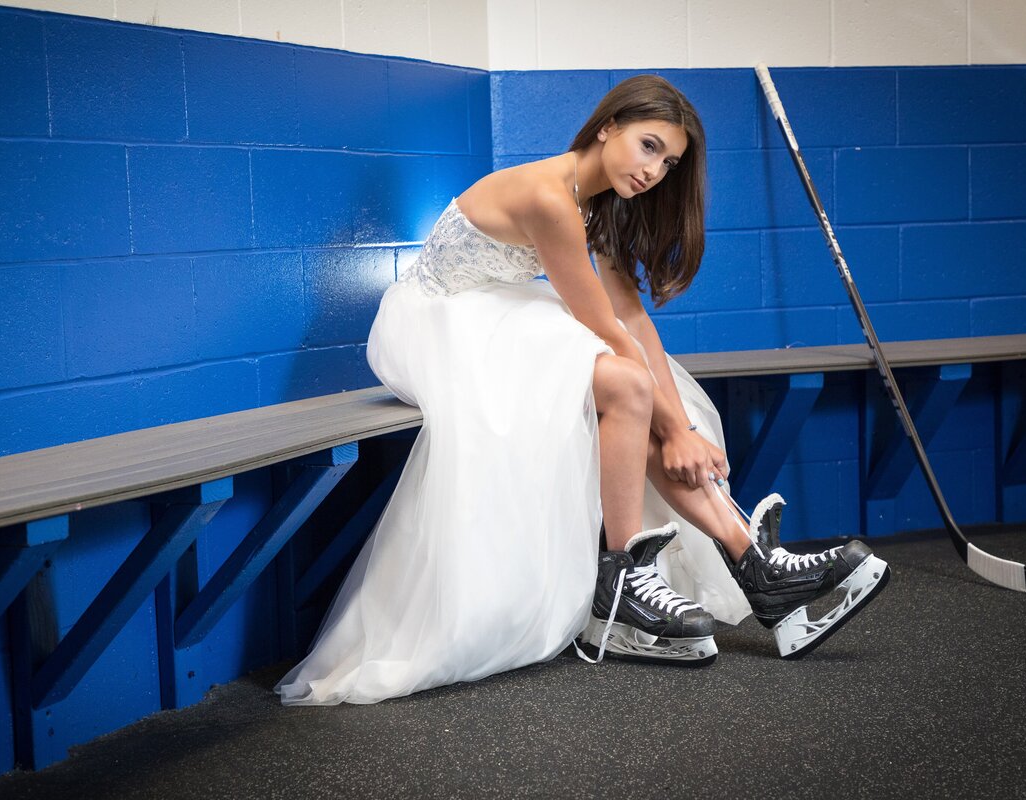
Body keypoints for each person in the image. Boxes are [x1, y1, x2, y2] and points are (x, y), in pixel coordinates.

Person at [275, 75, 889, 705]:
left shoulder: (605, 202)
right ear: (608, 127)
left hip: (508, 313)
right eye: (648, 146)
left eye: (669, 161)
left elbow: (634, 320)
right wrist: (675, 431)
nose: (656, 170)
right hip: (443, 319)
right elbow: (605, 331)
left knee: (644, 387)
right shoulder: (548, 196)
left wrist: (683, 428)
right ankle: (628, 580)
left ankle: (750, 566)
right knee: (624, 383)